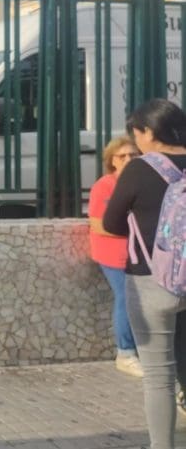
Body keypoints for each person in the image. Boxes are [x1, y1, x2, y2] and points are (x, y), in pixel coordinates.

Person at [104, 98, 186, 449]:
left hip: (152, 281)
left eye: (136, 133)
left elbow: (112, 223)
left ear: (149, 132)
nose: (136, 141)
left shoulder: (139, 169)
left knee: (159, 377)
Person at [88, 135, 143, 377]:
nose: (129, 159)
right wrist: (133, 230)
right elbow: (97, 225)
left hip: (140, 253)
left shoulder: (142, 183)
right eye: (123, 156)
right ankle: (126, 352)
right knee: (126, 297)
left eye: (133, 155)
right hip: (114, 253)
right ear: (112, 160)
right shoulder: (104, 186)